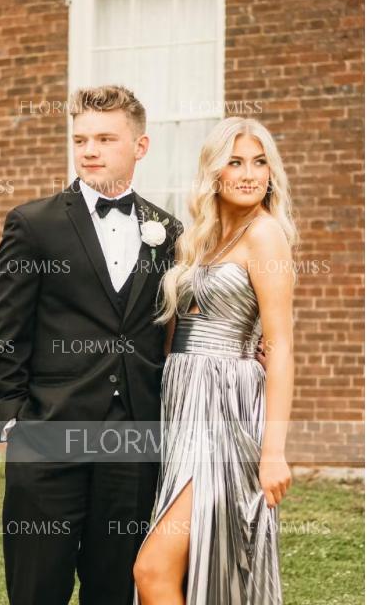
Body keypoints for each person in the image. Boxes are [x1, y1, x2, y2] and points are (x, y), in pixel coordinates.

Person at [0, 85, 183, 605]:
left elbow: (171, 326)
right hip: (50, 434)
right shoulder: (34, 224)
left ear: (140, 146)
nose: (89, 150)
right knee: (37, 587)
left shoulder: (167, 230)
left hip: (133, 441)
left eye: (105, 139)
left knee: (113, 587)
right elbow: (4, 329)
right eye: (80, 139)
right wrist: (11, 419)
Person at [133, 116, 298, 604]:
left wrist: (273, 452)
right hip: (185, 407)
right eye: (235, 162)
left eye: (259, 163)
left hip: (226, 414)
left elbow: (281, 346)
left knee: (153, 570)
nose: (249, 174)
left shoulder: (265, 234)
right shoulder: (201, 239)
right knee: (197, 566)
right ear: (214, 172)